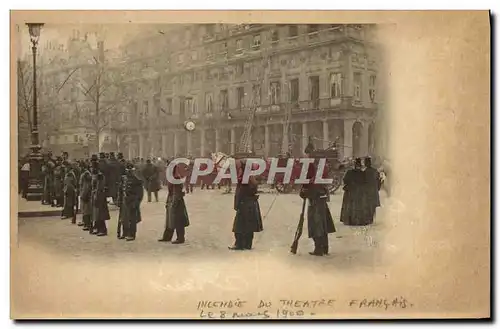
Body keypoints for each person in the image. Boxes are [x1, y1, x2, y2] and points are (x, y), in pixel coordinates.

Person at [299, 152, 336, 256]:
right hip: (321, 197)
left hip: (316, 198)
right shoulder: (321, 167)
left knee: (316, 224)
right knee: (322, 224)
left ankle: (319, 248)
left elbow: (313, 182)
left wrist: (305, 188)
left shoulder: (319, 168)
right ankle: (324, 247)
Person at [229, 159, 263, 250]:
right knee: (249, 226)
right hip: (250, 205)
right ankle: (247, 244)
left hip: (244, 204)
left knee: (239, 226)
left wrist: (237, 204)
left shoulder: (244, 179)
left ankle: (239, 244)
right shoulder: (250, 177)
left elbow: (240, 193)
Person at [158, 163, 189, 244]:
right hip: (172, 199)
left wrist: (173, 203)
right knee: (170, 220)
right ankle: (167, 236)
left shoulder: (176, 178)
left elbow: (177, 192)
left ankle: (180, 238)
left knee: (178, 221)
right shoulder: (172, 178)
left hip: (177, 201)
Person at [340, 158, 370, 226]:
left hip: (351, 191)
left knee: (350, 205)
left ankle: (350, 220)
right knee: (359, 206)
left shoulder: (349, 172)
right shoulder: (362, 173)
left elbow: (345, 180)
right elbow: (365, 182)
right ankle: (359, 220)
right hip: (359, 192)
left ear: (354, 165)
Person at [119, 163, 144, 241]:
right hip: (125, 201)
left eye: (131, 170)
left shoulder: (137, 181)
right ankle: (125, 233)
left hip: (132, 202)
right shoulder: (124, 179)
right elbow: (121, 190)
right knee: (124, 218)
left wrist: (136, 203)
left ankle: (132, 234)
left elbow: (140, 194)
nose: (129, 172)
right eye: (128, 170)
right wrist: (119, 200)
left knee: (132, 219)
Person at [91, 161, 110, 236]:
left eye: (92, 167)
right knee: (96, 214)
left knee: (100, 214)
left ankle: (103, 230)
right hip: (96, 195)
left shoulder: (100, 176)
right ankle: (98, 228)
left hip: (100, 196)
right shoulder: (95, 175)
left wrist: (96, 196)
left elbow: (99, 187)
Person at [363, 157, 381, 223]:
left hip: (367, 191)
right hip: (374, 190)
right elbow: (379, 181)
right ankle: (371, 218)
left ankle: (369, 218)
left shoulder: (364, 172)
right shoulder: (375, 171)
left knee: (368, 204)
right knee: (373, 205)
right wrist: (377, 188)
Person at [78, 162, 93, 231]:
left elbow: (87, 186)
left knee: (86, 210)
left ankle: (87, 224)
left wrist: (84, 194)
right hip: (83, 193)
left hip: (85, 194)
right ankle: (84, 222)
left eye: (80, 167)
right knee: (83, 209)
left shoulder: (86, 174)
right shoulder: (84, 174)